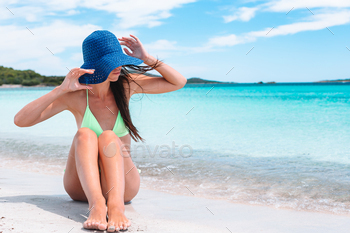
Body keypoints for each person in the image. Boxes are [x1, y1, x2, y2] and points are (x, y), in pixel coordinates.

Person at [14, 30, 187, 232]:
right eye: (111, 62)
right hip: (81, 188)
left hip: (123, 187)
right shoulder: (75, 95)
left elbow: (178, 82)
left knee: (108, 136)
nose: (118, 66)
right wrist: (60, 90)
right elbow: (21, 121)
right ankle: (96, 205)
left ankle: (116, 207)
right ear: (93, 65)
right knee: (84, 134)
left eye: (120, 60)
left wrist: (146, 58)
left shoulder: (127, 85)